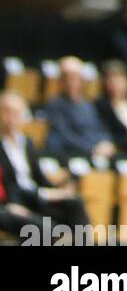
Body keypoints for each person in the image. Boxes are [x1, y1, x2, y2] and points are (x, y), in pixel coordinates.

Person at [0, 90, 89, 235]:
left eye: (16, 113)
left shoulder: (26, 142)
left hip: (34, 199)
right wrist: (45, 194)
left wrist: (59, 190)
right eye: (7, 112)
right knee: (50, 230)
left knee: (75, 203)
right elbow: (8, 185)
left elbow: (38, 177)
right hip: (14, 202)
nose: (11, 118)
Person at [43, 58, 115, 166]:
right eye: (68, 78)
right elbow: (64, 135)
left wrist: (106, 143)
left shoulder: (88, 104)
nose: (72, 83)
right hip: (73, 154)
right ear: (61, 81)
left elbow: (100, 128)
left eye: (76, 78)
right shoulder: (55, 104)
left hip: (97, 153)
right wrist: (92, 148)